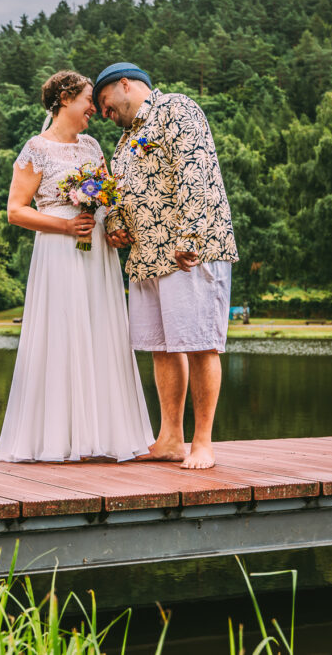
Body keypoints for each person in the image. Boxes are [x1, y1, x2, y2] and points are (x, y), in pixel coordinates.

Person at [0, 70, 153, 463]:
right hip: (59, 252)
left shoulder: (93, 145)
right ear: (64, 99)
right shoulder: (36, 149)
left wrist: (114, 225)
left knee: (101, 331)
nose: (93, 109)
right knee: (62, 333)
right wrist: (65, 226)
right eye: (87, 100)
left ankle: (105, 436)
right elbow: (15, 211)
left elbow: (108, 197)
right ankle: (57, 438)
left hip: (97, 253)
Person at [94, 62, 238, 469]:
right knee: (161, 348)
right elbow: (120, 194)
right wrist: (116, 225)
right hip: (147, 259)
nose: (104, 113)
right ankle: (171, 439)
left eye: (105, 103)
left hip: (188, 252)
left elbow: (195, 172)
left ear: (125, 85)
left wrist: (190, 237)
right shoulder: (124, 143)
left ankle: (203, 443)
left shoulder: (176, 108)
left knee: (200, 344)